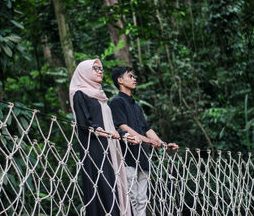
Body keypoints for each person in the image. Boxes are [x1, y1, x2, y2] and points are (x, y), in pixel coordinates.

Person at [110, 66, 179, 216]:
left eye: (134, 76)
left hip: (142, 157)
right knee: (131, 198)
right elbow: (123, 126)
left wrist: (163, 144)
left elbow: (147, 129)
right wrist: (148, 141)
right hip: (127, 158)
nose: (134, 79)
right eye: (130, 76)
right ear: (120, 80)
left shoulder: (135, 106)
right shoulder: (116, 102)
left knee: (142, 200)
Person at [69, 59, 132, 216]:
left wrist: (123, 135)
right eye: (95, 68)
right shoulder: (79, 94)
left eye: (101, 69)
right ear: (84, 72)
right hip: (95, 150)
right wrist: (108, 134)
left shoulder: (101, 97)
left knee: (115, 186)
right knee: (102, 187)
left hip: (111, 148)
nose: (99, 71)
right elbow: (85, 124)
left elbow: (110, 125)